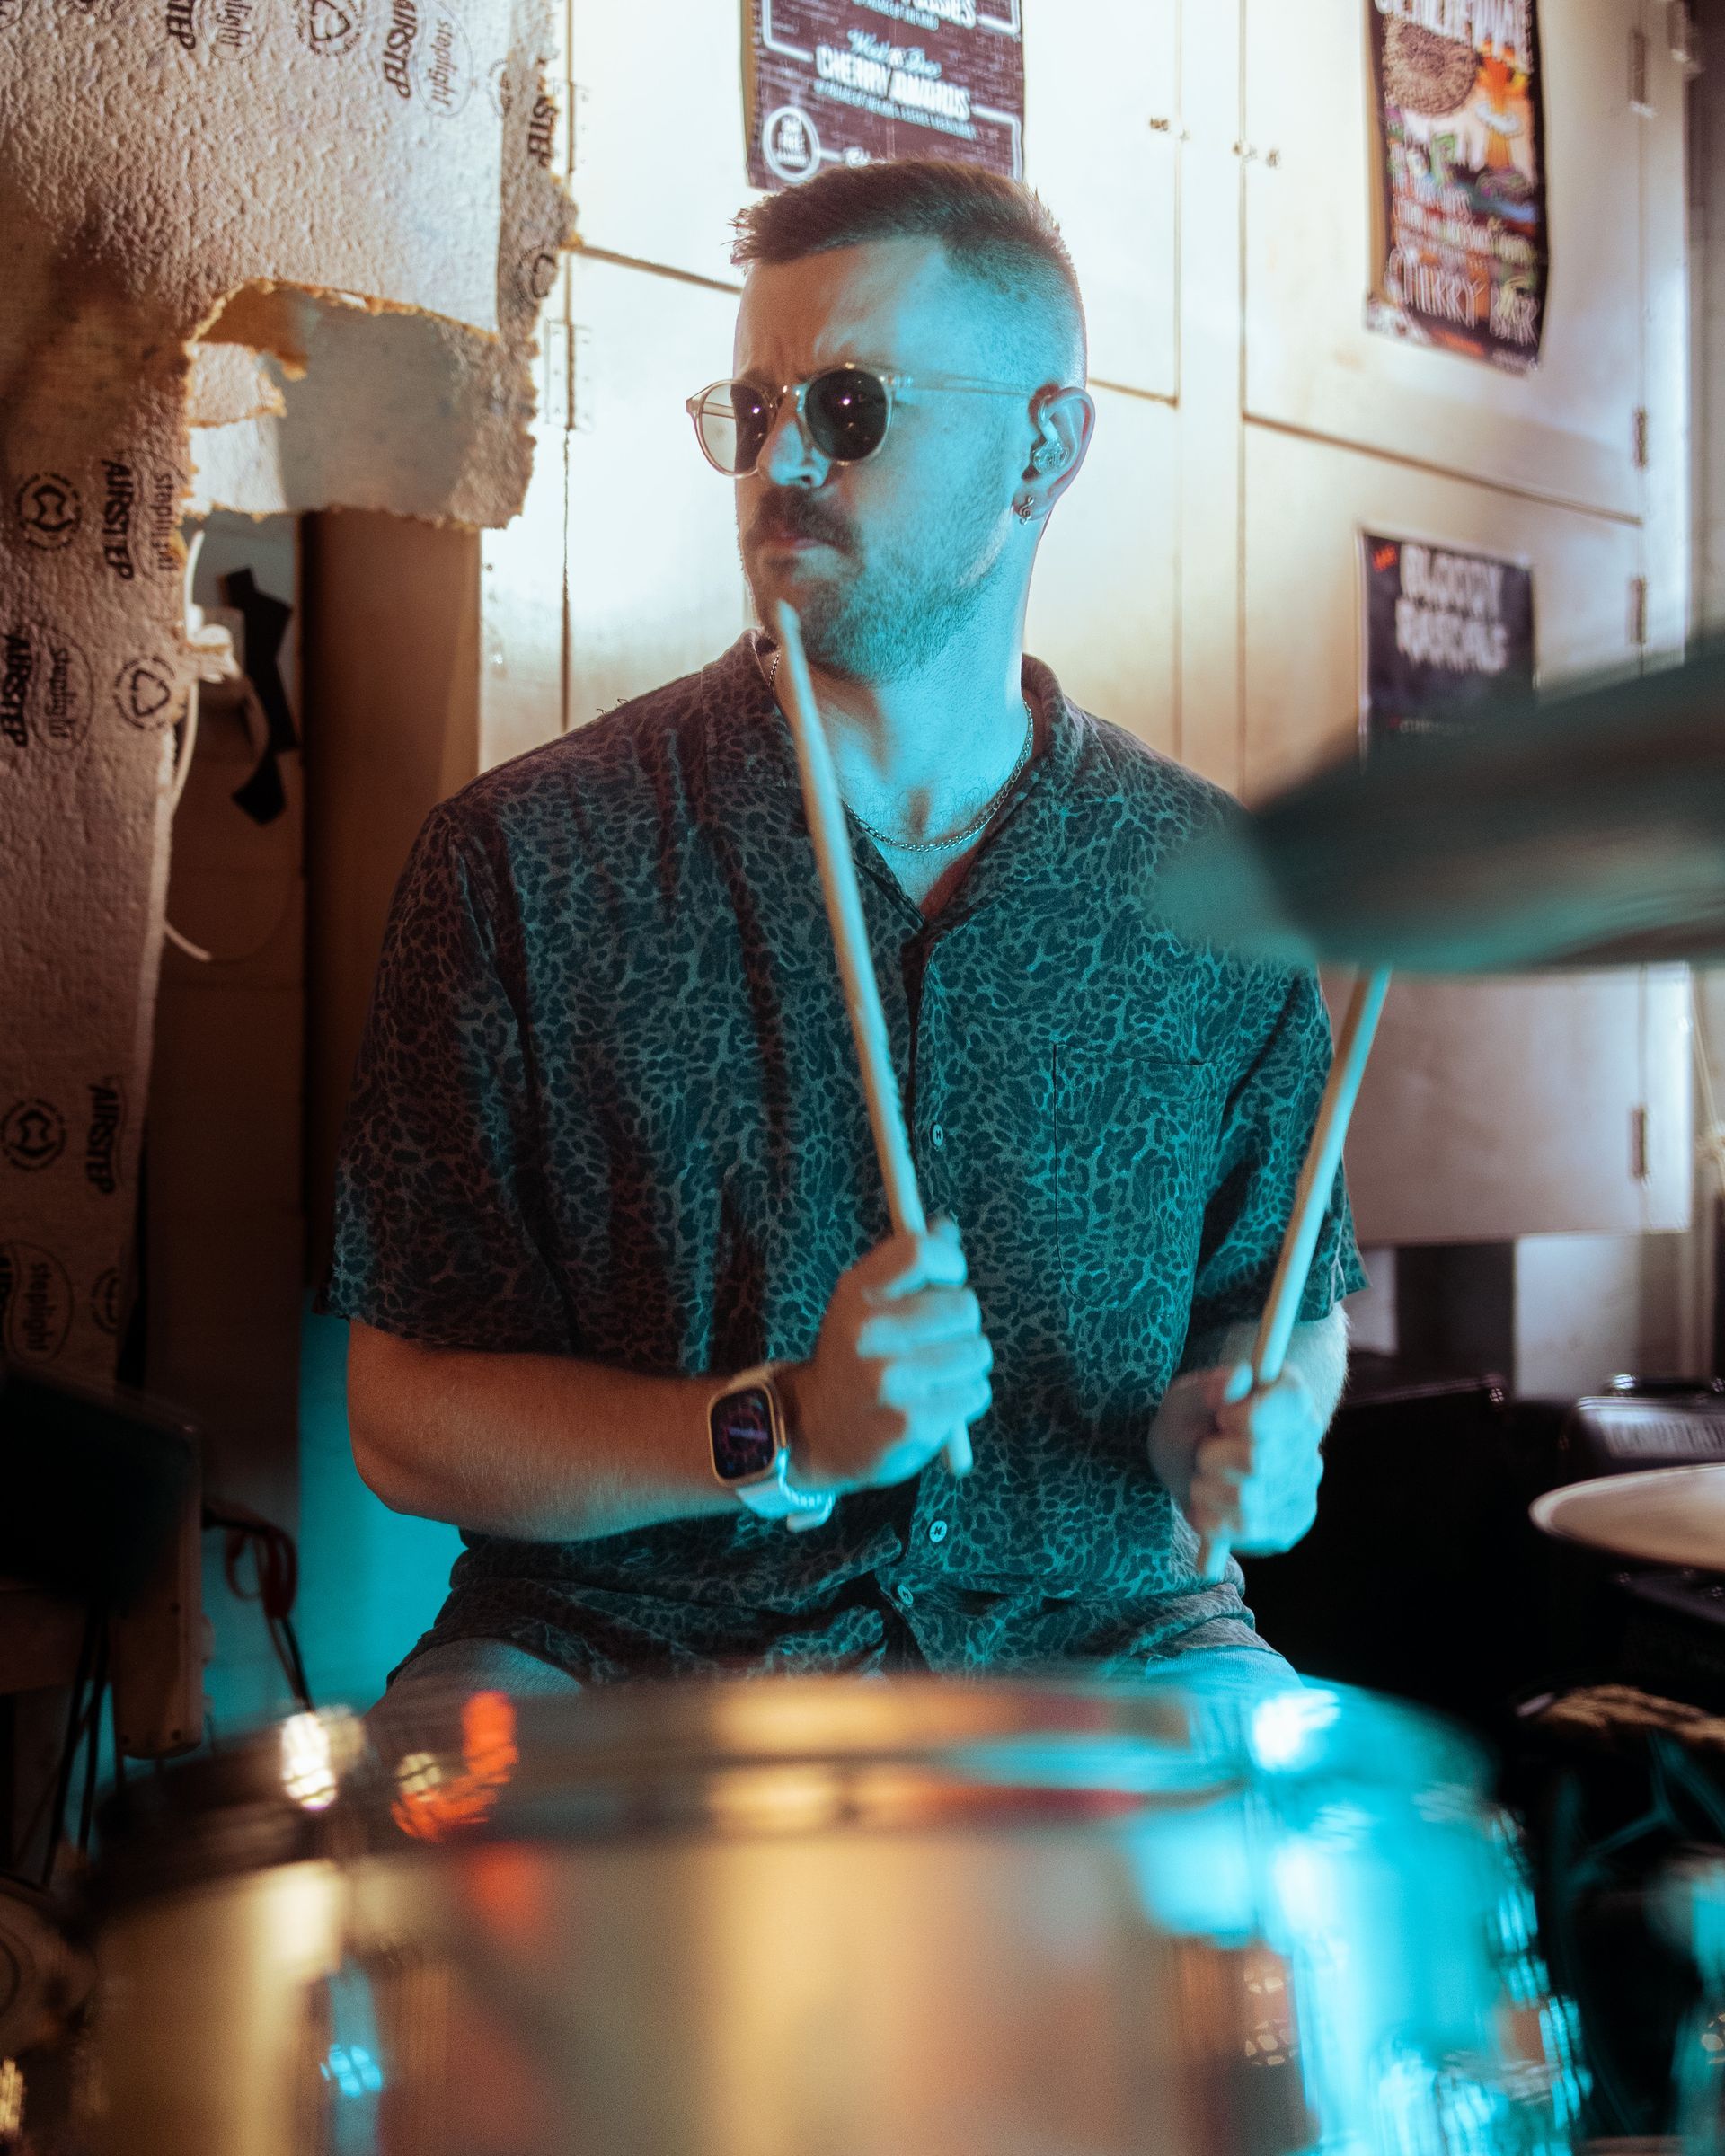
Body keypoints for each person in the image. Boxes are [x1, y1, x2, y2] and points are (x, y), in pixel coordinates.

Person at [327, 158, 1365, 1719]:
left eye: (852, 407)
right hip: (625, 1649)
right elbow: (405, 1420)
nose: (782, 460)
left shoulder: (1215, 891)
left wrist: (1244, 1429)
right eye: (753, 412)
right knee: (410, 1877)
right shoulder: (524, 864)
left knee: (1328, 1876)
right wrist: (780, 1430)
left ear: (1045, 447)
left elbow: (1282, 1306)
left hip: (1104, 1641)